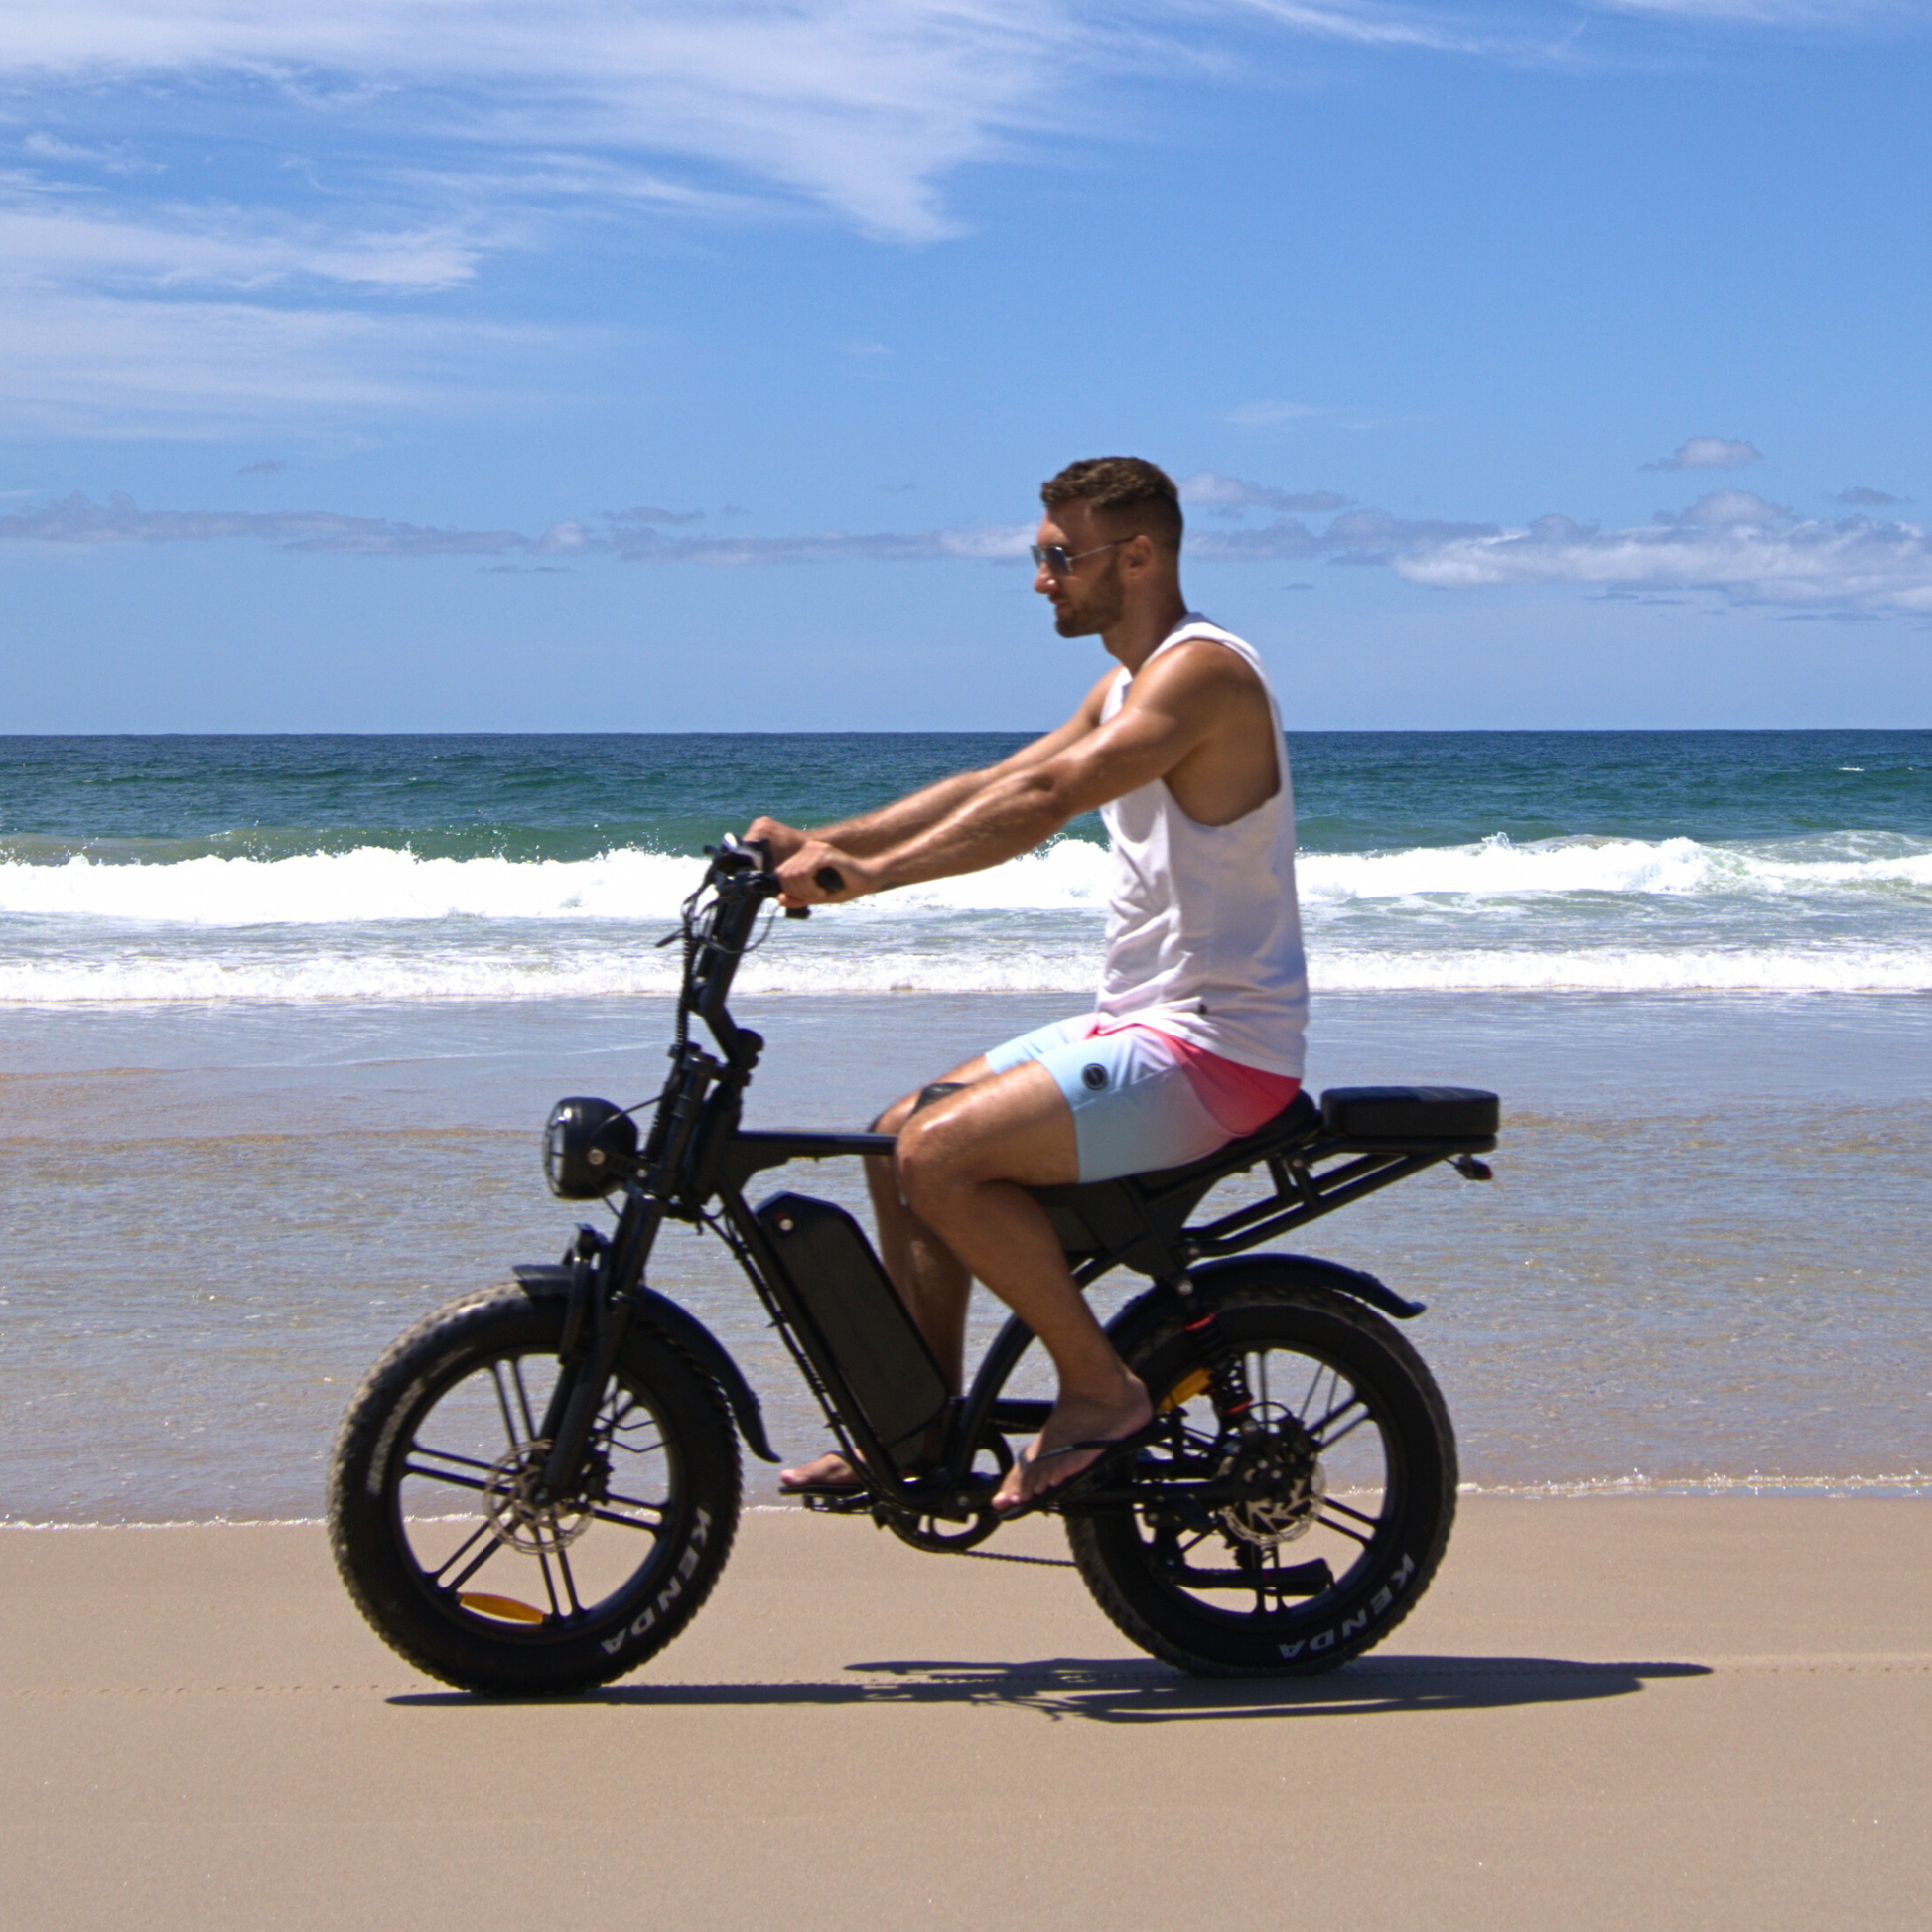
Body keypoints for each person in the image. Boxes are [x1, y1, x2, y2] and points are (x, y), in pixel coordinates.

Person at [747, 456, 1308, 1512]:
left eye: (1058, 555)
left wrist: (867, 879)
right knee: (895, 1134)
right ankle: (912, 1431)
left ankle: (1099, 1388)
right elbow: (993, 782)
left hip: (1217, 1047)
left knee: (940, 1152)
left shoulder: (1205, 675)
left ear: (1134, 556)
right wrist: (821, 839)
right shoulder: (1127, 681)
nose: (1040, 578)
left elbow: (1050, 795)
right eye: (1039, 556)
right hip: (1140, 1025)